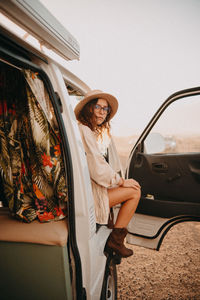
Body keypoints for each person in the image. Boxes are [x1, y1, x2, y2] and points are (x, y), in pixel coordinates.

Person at [74, 90, 141, 258]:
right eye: (98, 106)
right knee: (134, 191)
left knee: (132, 187)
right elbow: (97, 168)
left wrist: (117, 180)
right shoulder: (84, 131)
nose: (102, 112)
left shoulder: (86, 131)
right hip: (88, 196)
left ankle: (114, 240)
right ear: (89, 108)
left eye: (105, 109)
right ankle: (116, 241)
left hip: (88, 190)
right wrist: (120, 181)